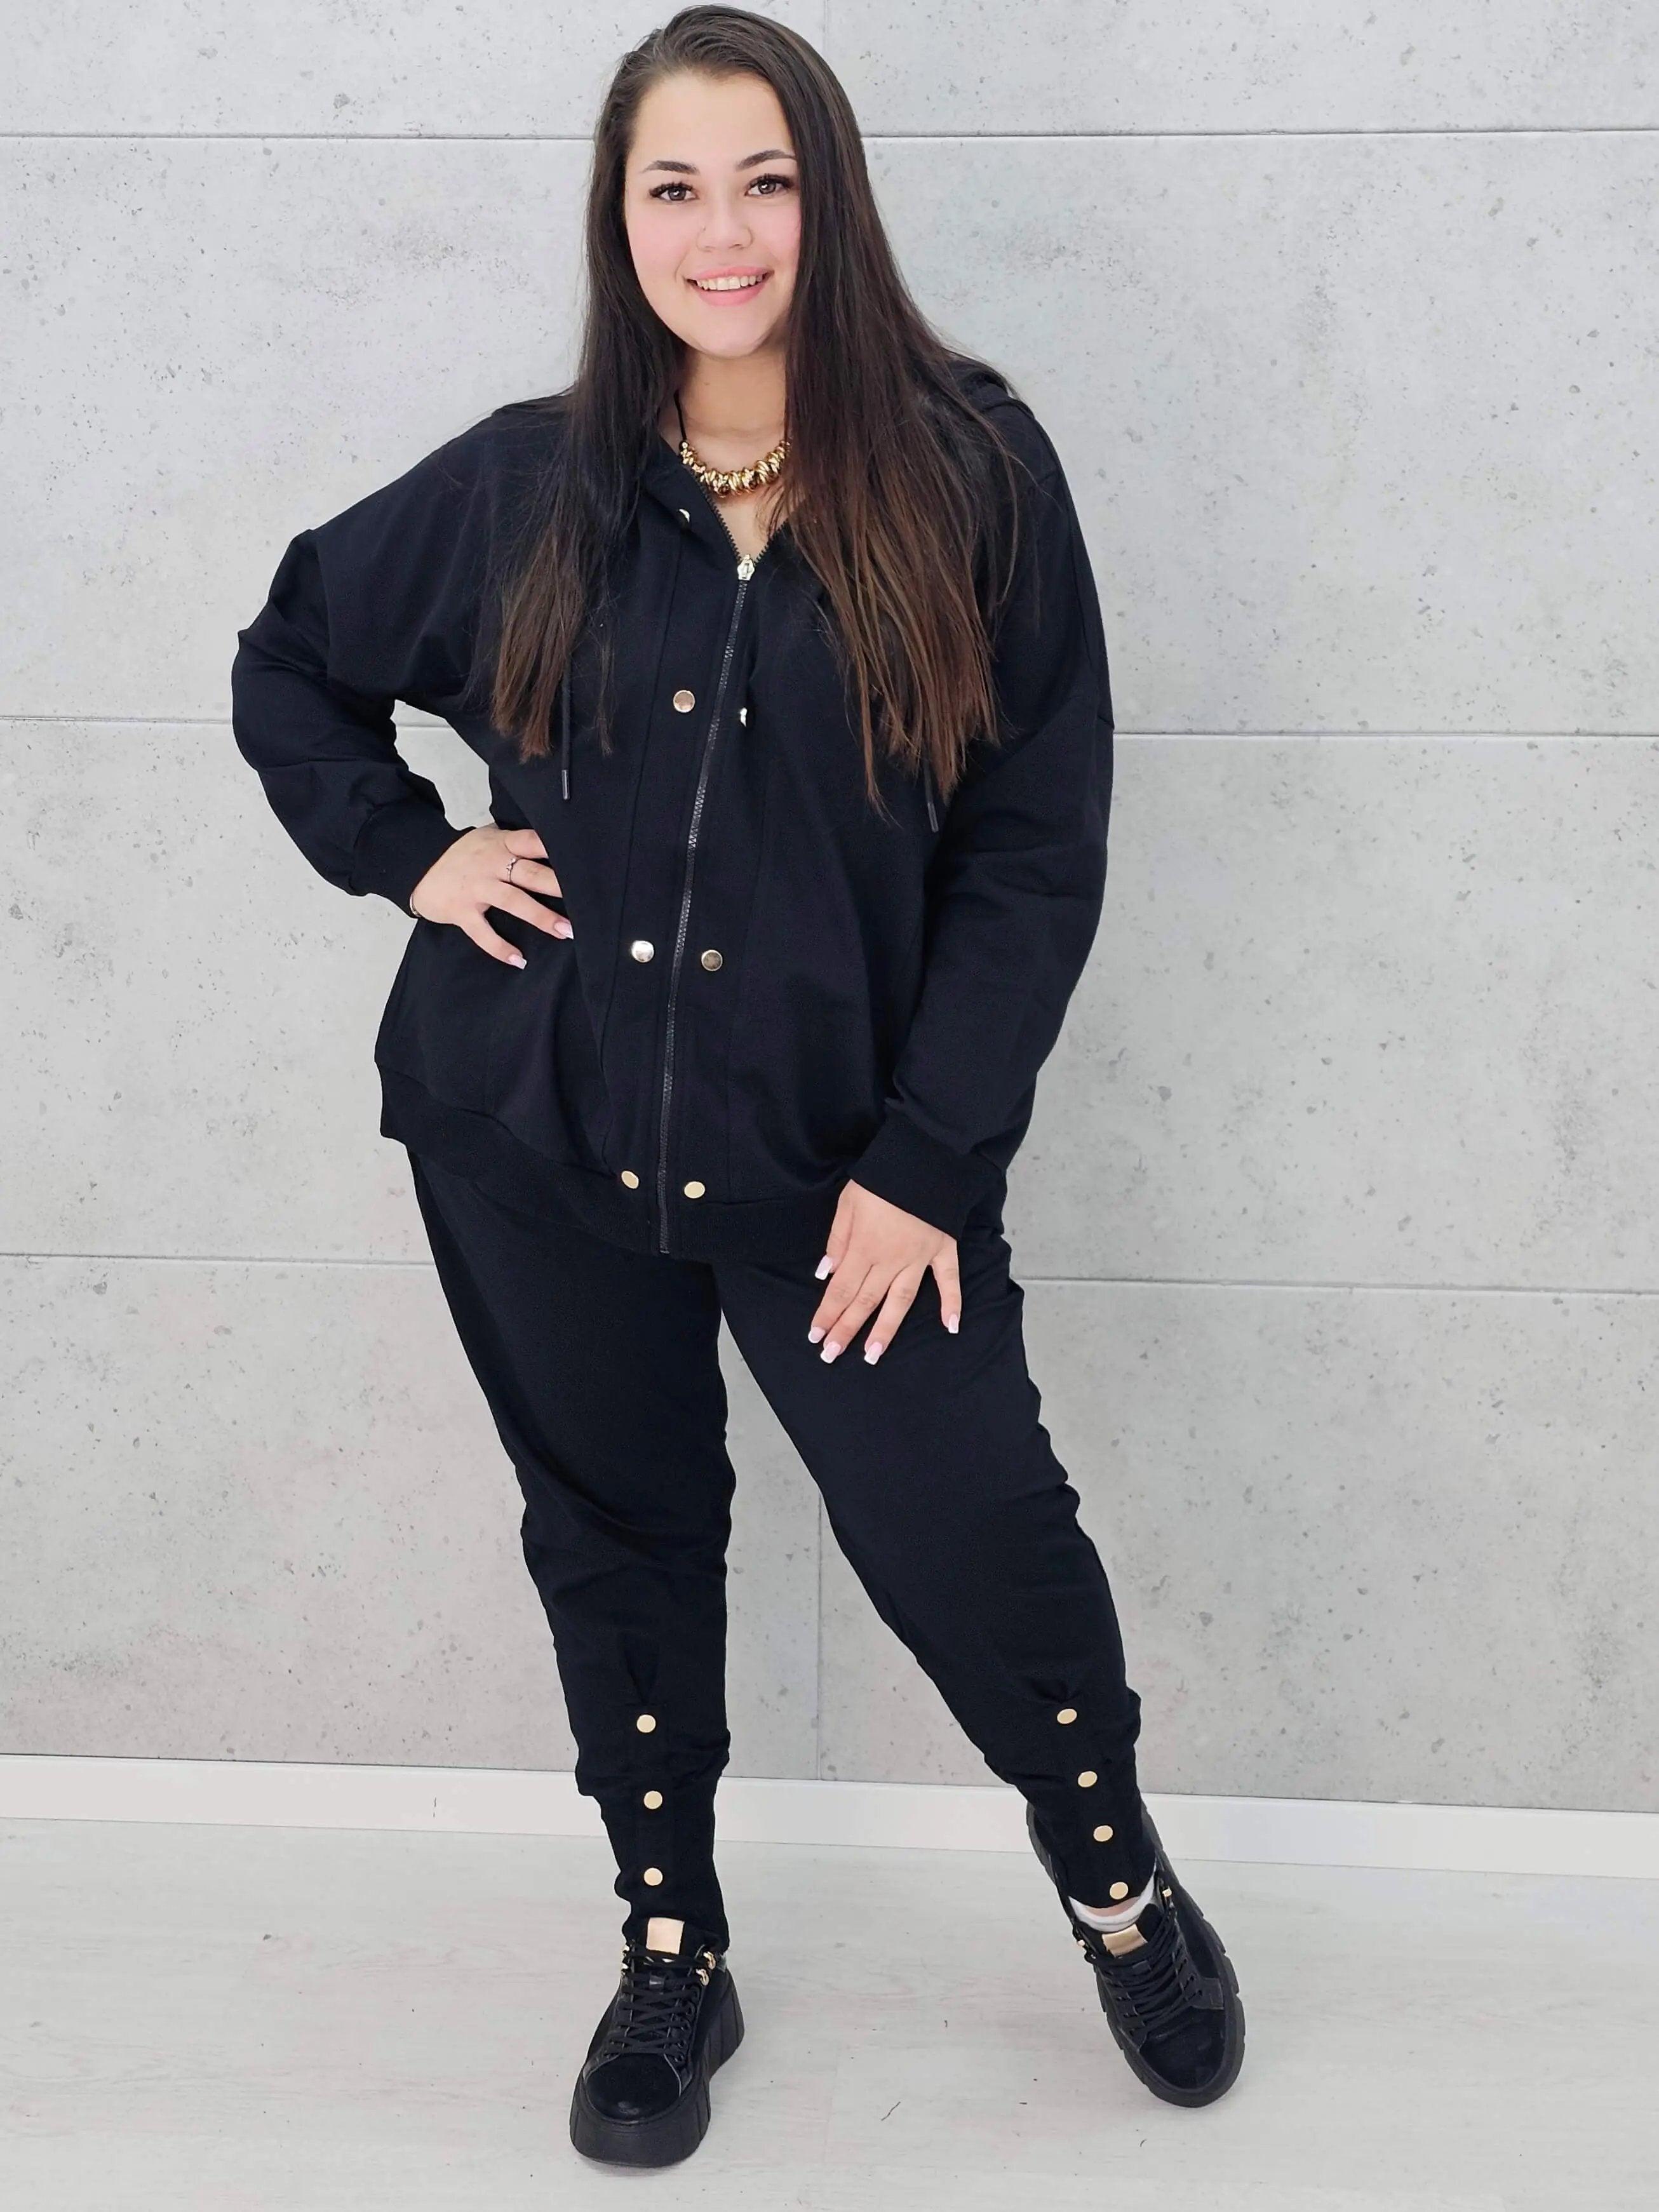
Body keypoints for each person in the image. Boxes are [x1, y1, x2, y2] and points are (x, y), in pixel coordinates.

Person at [230, 3, 1244, 2170]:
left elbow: (1031, 850)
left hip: (844, 1164)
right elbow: (290, 656)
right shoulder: (522, 482)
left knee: (971, 1532)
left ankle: (1118, 1887)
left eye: (764, 181)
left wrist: (930, 1163)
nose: (722, 231)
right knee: (616, 1541)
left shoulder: (973, 476)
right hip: (534, 1131)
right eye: (674, 186)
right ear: (619, 219)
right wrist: (412, 854)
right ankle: (672, 1944)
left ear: (827, 200)